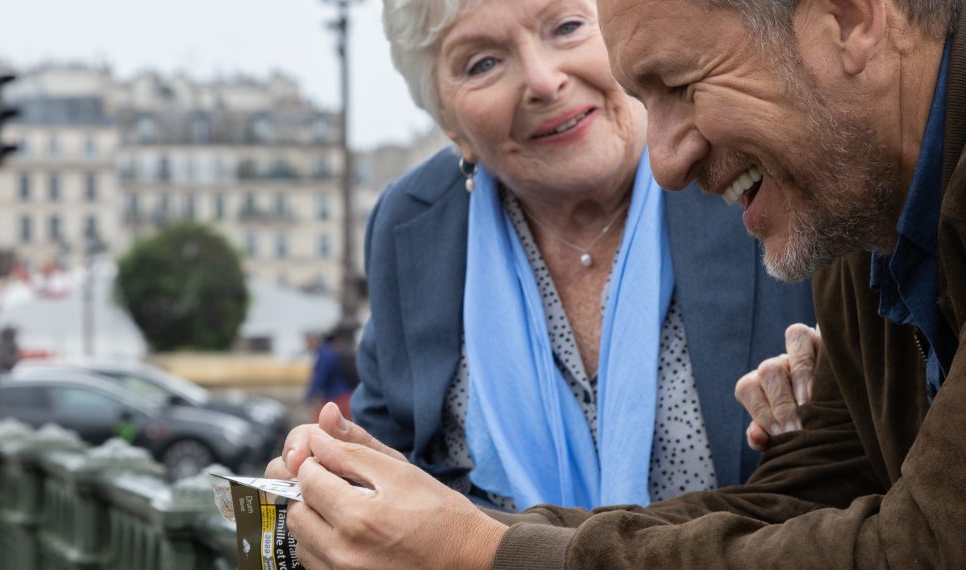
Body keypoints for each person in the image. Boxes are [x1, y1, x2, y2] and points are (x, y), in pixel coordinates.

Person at [268, 0, 966, 565]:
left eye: (679, 87)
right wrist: (440, 530)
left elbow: (939, 552)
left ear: (851, 17)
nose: (666, 159)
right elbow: (798, 503)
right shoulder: (865, 189)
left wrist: (483, 555)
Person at [341, 0, 815, 514]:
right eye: (482, 63)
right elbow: (387, 464)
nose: (544, 81)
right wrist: (331, 480)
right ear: (451, 125)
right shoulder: (411, 223)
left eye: (566, 27)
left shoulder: (742, 159)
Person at [303, 330, 357, 421]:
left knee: (318, 426)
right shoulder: (330, 352)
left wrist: (308, 396)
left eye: (307, 341)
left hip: (336, 398)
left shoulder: (324, 355)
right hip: (344, 395)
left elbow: (320, 377)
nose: (306, 344)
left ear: (314, 340)